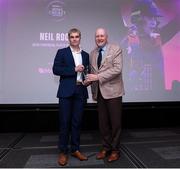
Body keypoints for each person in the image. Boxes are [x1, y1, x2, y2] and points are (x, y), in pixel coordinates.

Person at [85, 28, 125, 162]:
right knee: (103, 124)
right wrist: (86, 81)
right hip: (99, 93)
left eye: (102, 36)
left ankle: (115, 150)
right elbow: (91, 73)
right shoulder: (92, 53)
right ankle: (106, 147)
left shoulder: (116, 49)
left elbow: (117, 69)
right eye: (97, 36)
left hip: (113, 93)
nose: (99, 38)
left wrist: (97, 77)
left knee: (115, 123)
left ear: (106, 37)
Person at [52, 28, 89, 166]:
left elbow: (87, 72)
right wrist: (73, 69)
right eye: (72, 37)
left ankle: (75, 149)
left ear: (80, 38)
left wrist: (88, 80)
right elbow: (56, 70)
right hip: (66, 92)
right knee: (64, 123)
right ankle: (63, 151)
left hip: (80, 91)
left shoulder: (85, 55)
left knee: (77, 122)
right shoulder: (62, 52)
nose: (74, 39)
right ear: (69, 38)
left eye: (77, 37)